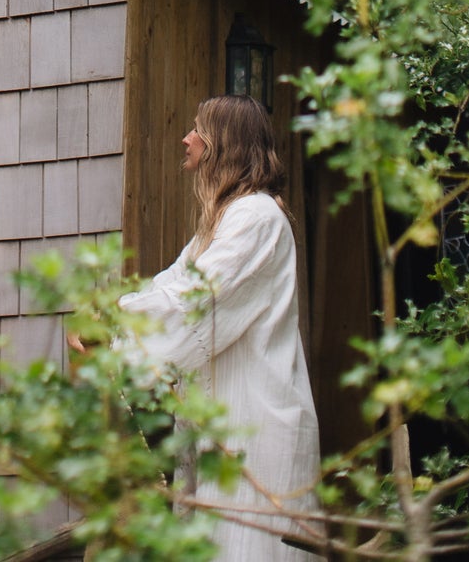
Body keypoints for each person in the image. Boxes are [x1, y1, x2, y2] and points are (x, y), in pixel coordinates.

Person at [111, 96, 320, 561]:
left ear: (223, 143)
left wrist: (114, 322)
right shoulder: (224, 221)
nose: (185, 139)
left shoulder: (256, 217)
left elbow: (194, 300)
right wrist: (116, 314)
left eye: (196, 129)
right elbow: (172, 283)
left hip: (259, 424)